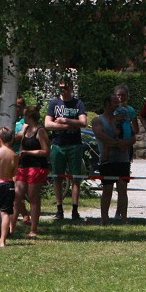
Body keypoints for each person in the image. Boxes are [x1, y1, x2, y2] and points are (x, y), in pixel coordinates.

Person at [45, 78, 87, 222]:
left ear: (71, 87)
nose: (63, 90)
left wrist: (66, 120)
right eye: (61, 87)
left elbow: (83, 122)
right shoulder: (54, 103)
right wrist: (65, 127)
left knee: (76, 178)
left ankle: (75, 210)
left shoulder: (78, 103)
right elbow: (47, 124)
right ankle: (59, 209)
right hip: (58, 144)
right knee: (57, 177)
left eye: (65, 87)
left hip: (74, 145)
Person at [92, 94, 133, 224]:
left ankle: (124, 219)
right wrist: (116, 143)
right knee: (107, 189)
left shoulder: (123, 119)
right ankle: (104, 218)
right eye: (115, 102)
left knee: (122, 188)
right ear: (107, 104)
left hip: (123, 159)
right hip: (106, 159)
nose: (117, 105)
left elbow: (133, 137)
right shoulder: (98, 120)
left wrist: (125, 143)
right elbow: (99, 134)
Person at [13, 106, 50, 238]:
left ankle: (33, 229)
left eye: (24, 116)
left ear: (30, 117)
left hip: (37, 166)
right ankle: (11, 228)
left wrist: (28, 152)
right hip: (24, 166)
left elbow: (46, 151)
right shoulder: (26, 129)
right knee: (17, 196)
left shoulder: (40, 131)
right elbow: (22, 146)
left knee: (33, 197)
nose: (23, 118)